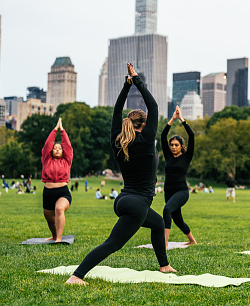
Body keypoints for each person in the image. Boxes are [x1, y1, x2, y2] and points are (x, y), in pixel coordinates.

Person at [66, 63, 175, 285]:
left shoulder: (118, 140)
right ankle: (76, 276)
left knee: (158, 222)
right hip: (137, 203)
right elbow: (153, 106)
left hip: (124, 200)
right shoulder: (145, 141)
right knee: (113, 244)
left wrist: (127, 87)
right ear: (144, 125)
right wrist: (137, 81)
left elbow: (116, 111)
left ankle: (164, 265)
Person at [161, 105, 197, 248]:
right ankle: (192, 240)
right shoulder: (168, 156)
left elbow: (192, 136)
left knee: (167, 210)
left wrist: (181, 119)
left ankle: (164, 243)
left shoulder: (187, 157)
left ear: (181, 146)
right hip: (168, 191)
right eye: (172, 145)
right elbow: (163, 135)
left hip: (181, 191)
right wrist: (172, 119)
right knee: (177, 219)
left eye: (176, 145)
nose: (173, 147)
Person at [42, 117, 73, 243]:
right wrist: (55, 129)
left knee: (59, 209)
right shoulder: (46, 159)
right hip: (47, 192)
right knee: (49, 218)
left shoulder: (67, 160)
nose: (57, 149)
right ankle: (54, 236)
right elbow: (47, 144)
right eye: (55, 148)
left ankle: (59, 239)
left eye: (60, 148)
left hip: (62, 192)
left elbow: (68, 145)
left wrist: (62, 130)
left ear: (63, 151)